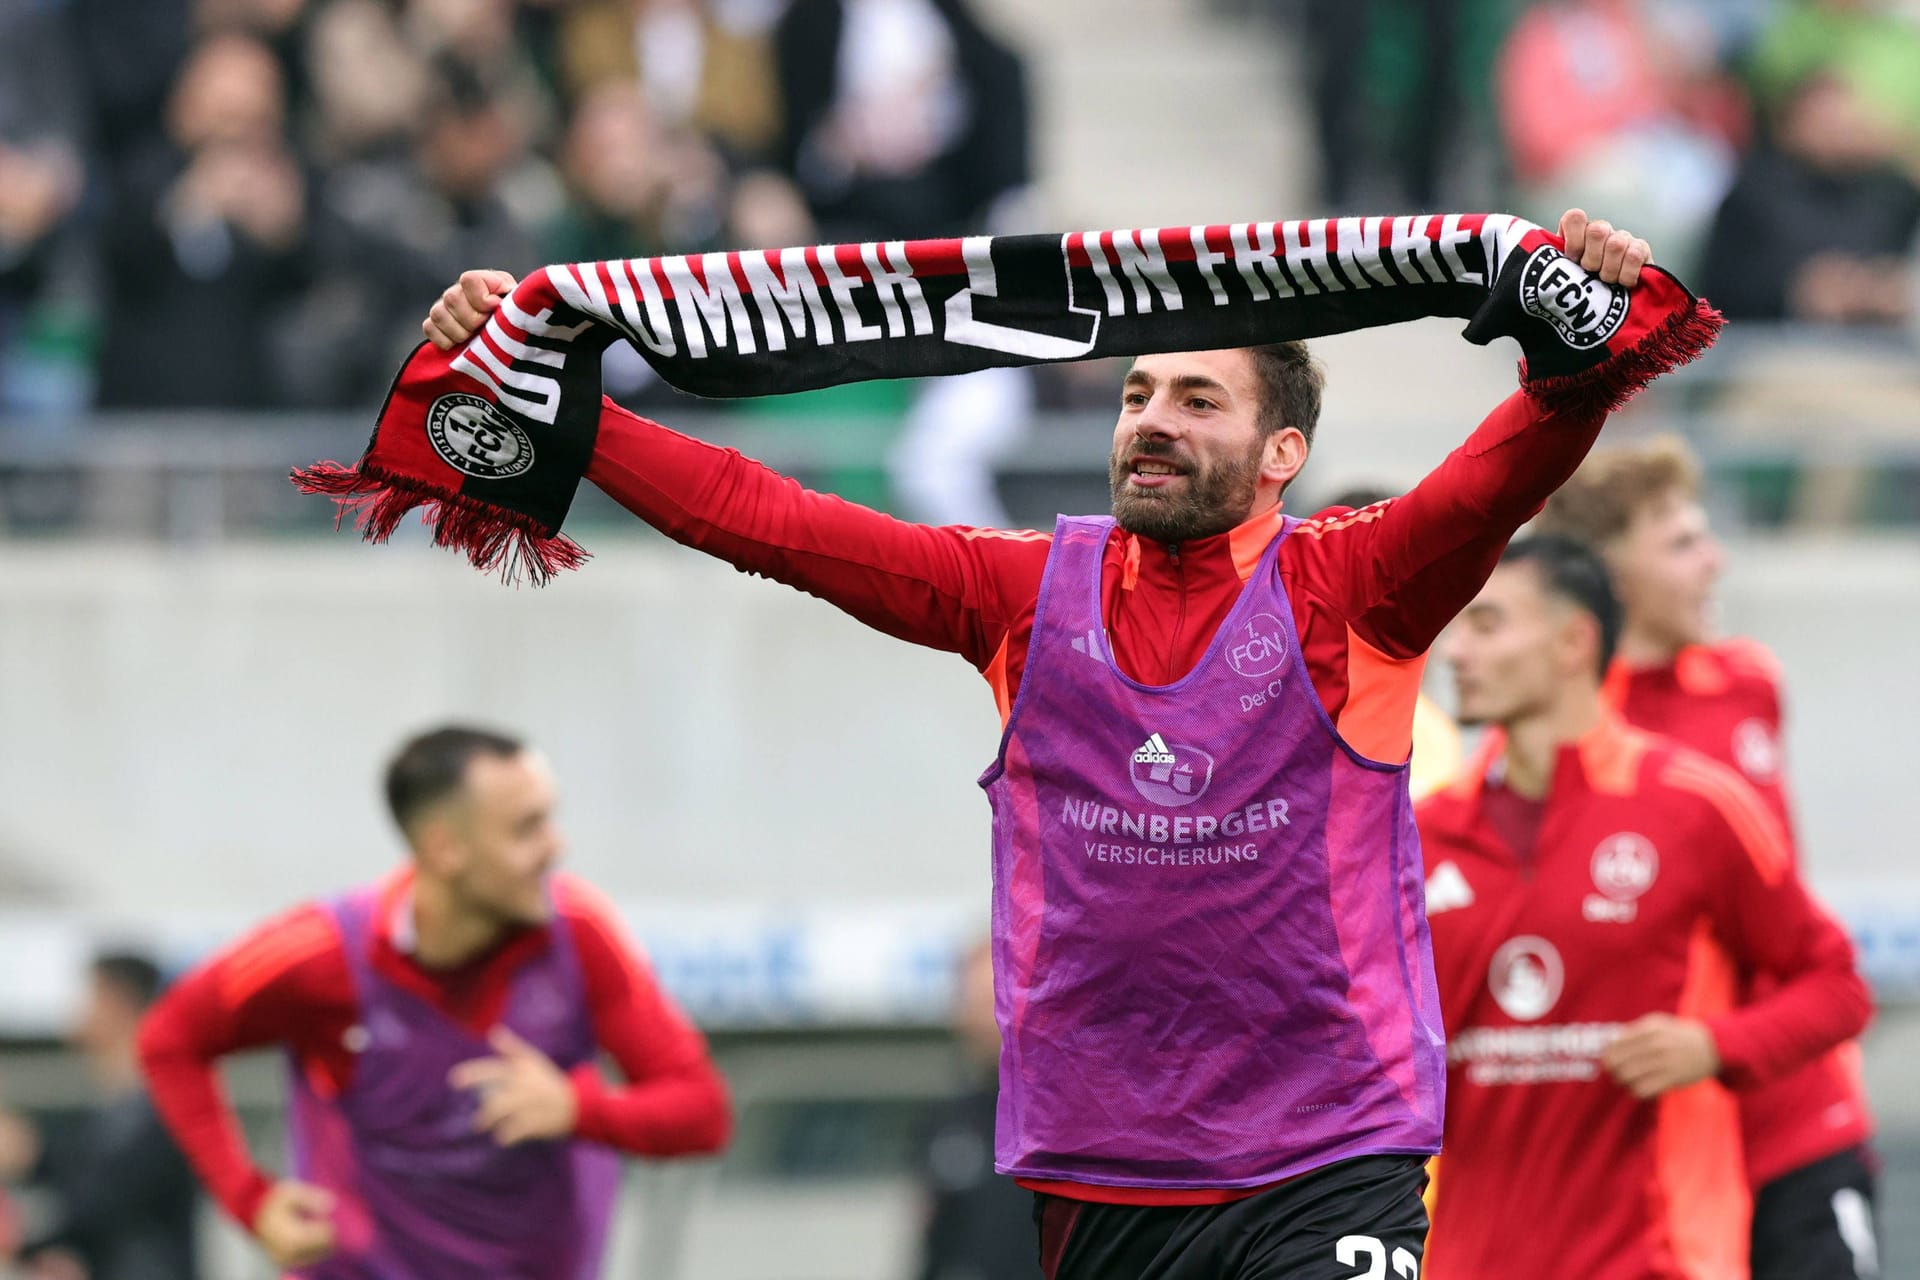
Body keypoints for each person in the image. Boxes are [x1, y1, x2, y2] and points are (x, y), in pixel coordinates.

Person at [423, 210, 1655, 1280]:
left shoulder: (1358, 584)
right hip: (1102, 1159)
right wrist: (562, 409)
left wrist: (1585, 341)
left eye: (1196, 398)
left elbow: (1513, 463)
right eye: (1135, 395)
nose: (1150, 421)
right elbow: (770, 521)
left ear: (1286, 455)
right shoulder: (1018, 591)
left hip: (1331, 1148)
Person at [1417, 536, 1872, 1280]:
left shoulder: (1693, 805)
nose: (1456, 651)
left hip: (1659, 1259)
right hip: (1468, 1262)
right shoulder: (1421, 836)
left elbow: (1837, 985)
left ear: (1574, 642)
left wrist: (1714, 1046)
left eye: (1487, 624)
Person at [136, 725, 731, 1280]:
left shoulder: (579, 933)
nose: (556, 847)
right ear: (446, 849)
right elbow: (169, 1039)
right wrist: (250, 1200)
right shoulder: (319, 954)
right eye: (527, 828)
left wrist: (578, 1110)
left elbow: (702, 1112)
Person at [1538, 439, 1881, 1279]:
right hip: (1651, 1145)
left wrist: (1727, 1040)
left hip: (1796, 1115)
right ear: (1612, 578)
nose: (1714, 558)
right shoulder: (1562, 735)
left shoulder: (1746, 681)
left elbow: (1789, 929)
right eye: (1683, 543)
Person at [0, 952, 199, 1280]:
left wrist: (32, 1154)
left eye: (88, 995)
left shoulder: (161, 1106)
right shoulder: (119, 1109)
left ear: (117, 1001)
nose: (77, 1009)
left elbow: (106, 1200)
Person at [914, 940, 1042, 1280]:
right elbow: (935, 1244)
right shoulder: (946, 1122)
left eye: (993, 1002)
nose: (983, 1020)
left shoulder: (1070, 1121)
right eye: (973, 1003)